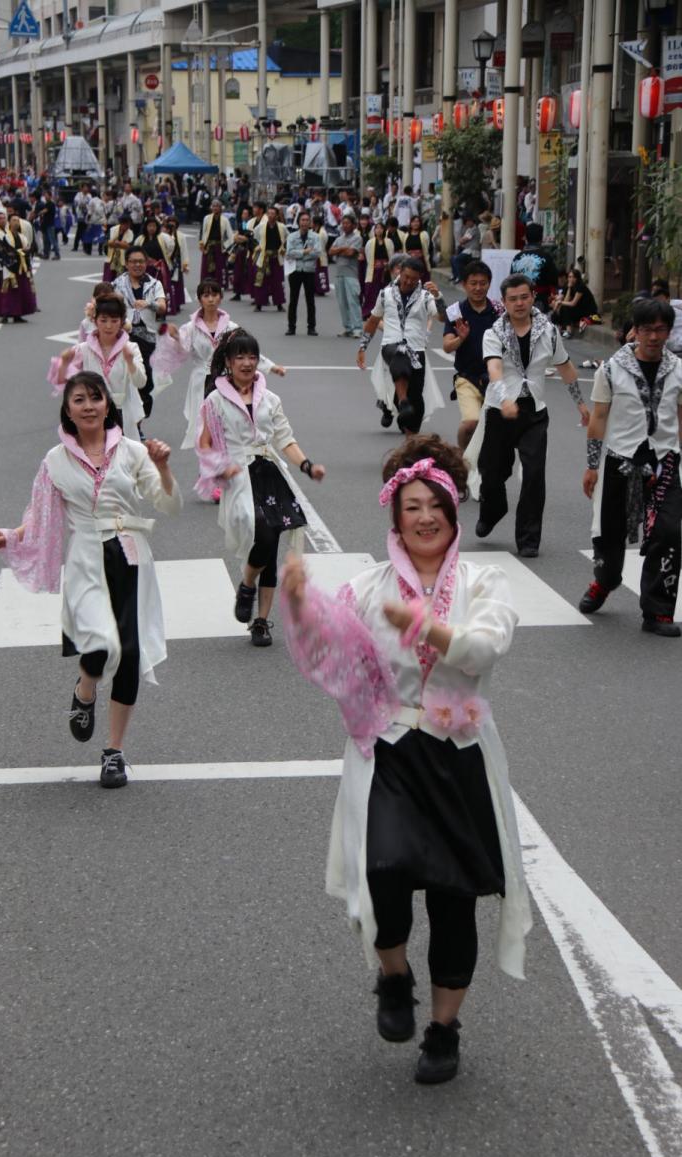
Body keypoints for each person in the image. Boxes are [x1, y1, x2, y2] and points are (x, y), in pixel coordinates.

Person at [280, 434, 532, 1085]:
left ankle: (443, 1029)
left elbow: (482, 649)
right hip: (388, 750)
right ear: (394, 516)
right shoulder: (368, 587)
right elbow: (329, 655)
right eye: (410, 506)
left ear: (452, 509)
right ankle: (393, 977)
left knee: (454, 899)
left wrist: (427, 626)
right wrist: (300, 604)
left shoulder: (483, 581)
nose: (423, 517)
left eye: (435, 505)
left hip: (459, 754)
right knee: (384, 874)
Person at [0, 370, 182, 788]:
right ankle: (85, 689)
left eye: (96, 398)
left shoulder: (131, 451)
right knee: (98, 646)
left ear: (108, 405)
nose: (89, 406)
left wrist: (163, 469)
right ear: (68, 410)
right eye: (80, 400)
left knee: (129, 651)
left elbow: (169, 504)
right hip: (86, 560)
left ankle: (113, 752)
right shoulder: (55, 461)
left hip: (129, 555)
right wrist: (12, 536)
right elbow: (38, 514)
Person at [195, 329, 325, 647]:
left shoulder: (270, 399)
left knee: (272, 541)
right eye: (240, 356)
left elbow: (285, 438)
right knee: (262, 534)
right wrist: (219, 466)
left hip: (269, 471)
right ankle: (248, 583)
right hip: (238, 474)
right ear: (227, 361)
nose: (247, 363)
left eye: (252, 356)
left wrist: (307, 466)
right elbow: (205, 443)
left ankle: (262, 621)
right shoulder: (214, 400)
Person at [579, 298, 682, 636]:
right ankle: (604, 581)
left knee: (668, 532)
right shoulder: (610, 369)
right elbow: (599, 419)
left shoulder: (678, 370)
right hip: (620, 461)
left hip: (664, 461)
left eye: (661, 330)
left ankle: (658, 611)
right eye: (648, 329)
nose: (654, 336)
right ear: (634, 332)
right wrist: (592, 466)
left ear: (668, 332)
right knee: (609, 536)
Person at [474, 273, 588, 557]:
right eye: (513, 299)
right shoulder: (494, 333)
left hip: (534, 412)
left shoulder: (548, 331)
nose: (519, 303)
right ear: (504, 302)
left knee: (534, 475)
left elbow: (565, 367)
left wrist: (581, 404)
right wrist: (504, 399)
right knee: (492, 473)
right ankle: (493, 511)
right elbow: (494, 370)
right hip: (500, 410)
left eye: (524, 297)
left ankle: (528, 539)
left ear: (533, 297)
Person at [152, 277, 285, 451]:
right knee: (203, 427)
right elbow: (182, 351)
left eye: (214, 295)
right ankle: (207, 467)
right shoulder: (191, 327)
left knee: (227, 422)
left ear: (220, 298)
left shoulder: (230, 327)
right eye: (206, 295)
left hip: (225, 379)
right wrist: (176, 338)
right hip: (201, 381)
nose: (211, 299)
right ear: (200, 299)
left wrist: (271, 367)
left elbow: (244, 351)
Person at [358, 258, 447, 433]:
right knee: (400, 352)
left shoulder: (426, 296)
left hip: (417, 350)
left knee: (417, 398)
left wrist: (439, 297)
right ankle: (402, 401)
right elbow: (373, 320)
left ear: (419, 278)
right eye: (406, 276)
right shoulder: (386, 294)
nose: (408, 281)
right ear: (400, 272)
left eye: (413, 279)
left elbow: (442, 318)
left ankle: (410, 431)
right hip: (390, 346)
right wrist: (362, 347)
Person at [50, 293, 146, 442]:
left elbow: (141, 382)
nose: (108, 326)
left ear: (121, 322)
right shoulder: (83, 350)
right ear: (95, 320)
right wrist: (64, 363)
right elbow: (62, 382)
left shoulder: (131, 348)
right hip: (92, 415)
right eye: (103, 320)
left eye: (114, 321)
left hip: (123, 414)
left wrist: (130, 362)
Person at [442, 260, 501, 451]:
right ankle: (462, 459)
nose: (478, 288)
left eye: (482, 283)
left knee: (496, 431)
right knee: (470, 423)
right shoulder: (456, 312)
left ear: (489, 284)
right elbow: (447, 347)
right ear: (464, 284)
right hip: (467, 378)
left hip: (496, 379)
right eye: (473, 283)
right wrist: (460, 338)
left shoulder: (499, 312)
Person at [113, 245, 167, 422]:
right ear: (126, 263)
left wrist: (148, 304)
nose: (137, 265)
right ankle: (133, 423)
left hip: (148, 337)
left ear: (147, 263)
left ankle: (141, 416)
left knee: (146, 380)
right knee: (128, 377)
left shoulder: (154, 284)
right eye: (133, 262)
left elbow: (162, 306)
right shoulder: (117, 285)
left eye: (141, 261)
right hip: (124, 336)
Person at [0, 211, 37, 323]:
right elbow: (5, 252)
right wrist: (19, 253)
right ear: (9, 223)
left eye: (17, 220)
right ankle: (6, 315)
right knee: (8, 291)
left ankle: (18, 315)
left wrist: (24, 252)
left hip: (21, 267)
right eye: (13, 220)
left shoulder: (22, 237)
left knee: (20, 291)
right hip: (10, 266)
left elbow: (28, 249)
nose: (16, 222)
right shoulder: (5, 237)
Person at [284, 210, 320, 336]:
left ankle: (311, 327)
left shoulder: (315, 237)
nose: (304, 222)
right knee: (293, 299)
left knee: (310, 300)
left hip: (309, 270)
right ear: (298, 222)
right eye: (302, 220)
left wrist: (299, 254)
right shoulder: (292, 236)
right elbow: (289, 253)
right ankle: (291, 327)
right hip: (296, 271)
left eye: (307, 220)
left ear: (310, 222)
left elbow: (317, 253)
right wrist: (304, 252)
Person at [329, 213, 364, 337]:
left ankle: (357, 328)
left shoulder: (357, 238)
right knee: (342, 302)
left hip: (351, 273)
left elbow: (350, 252)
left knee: (353, 301)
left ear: (354, 225)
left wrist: (340, 250)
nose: (345, 225)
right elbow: (330, 251)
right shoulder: (339, 238)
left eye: (347, 223)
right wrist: (342, 248)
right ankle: (347, 327)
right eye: (343, 223)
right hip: (339, 274)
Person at [510, 223, 559, 312]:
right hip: (540, 299)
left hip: (519, 299)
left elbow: (511, 279)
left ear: (526, 238)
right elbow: (553, 279)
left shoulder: (517, 257)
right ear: (541, 238)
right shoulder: (545, 257)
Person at [251, 204, 287, 312]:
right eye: (269, 213)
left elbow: (287, 239)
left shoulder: (282, 227)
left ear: (276, 216)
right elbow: (254, 237)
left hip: (276, 257)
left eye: (273, 214)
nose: (271, 216)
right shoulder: (261, 226)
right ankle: (259, 304)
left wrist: (283, 248)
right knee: (261, 281)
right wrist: (257, 246)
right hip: (264, 257)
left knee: (277, 282)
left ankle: (279, 304)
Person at [551, 268, 599, 336]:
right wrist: (569, 289)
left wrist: (559, 302)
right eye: (569, 277)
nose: (571, 279)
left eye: (573, 277)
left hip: (588, 311)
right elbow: (566, 301)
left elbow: (573, 303)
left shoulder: (580, 287)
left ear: (577, 278)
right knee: (562, 307)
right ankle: (559, 328)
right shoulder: (569, 286)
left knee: (564, 307)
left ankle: (568, 330)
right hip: (578, 309)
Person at [362, 221, 394, 319]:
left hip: (385, 271)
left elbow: (391, 256)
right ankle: (369, 312)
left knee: (386, 292)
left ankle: (385, 313)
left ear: (384, 230)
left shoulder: (388, 242)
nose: (379, 230)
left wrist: (388, 265)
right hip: (374, 270)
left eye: (381, 228)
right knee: (371, 292)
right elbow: (368, 257)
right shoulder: (370, 242)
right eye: (377, 228)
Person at [199, 199, 233, 287]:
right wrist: (202, 243)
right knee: (206, 266)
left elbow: (230, 235)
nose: (215, 208)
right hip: (208, 245)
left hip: (218, 245)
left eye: (217, 206)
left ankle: (218, 283)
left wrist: (226, 246)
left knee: (219, 266)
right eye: (213, 206)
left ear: (220, 208)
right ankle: (206, 283)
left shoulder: (225, 220)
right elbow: (203, 232)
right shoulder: (206, 218)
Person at [159, 216, 189, 316]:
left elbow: (184, 250)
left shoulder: (181, 236)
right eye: (170, 222)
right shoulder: (162, 235)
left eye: (174, 223)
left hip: (176, 262)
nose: (172, 224)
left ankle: (177, 303)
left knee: (176, 284)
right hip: (166, 262)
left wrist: (185, 263)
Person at [229, 205, 255, 301]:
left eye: (245, 214)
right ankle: (237, 293)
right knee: (238, 273)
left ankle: (254, 294)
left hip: (249, 250)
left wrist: (242, 238)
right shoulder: (242, 224)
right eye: (243, 213)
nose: (243, 215)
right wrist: (239, 238)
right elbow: (237, 237)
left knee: (250, 273)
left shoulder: (252, 224)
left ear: (249, 216)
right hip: (240, 250)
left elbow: (248, 237)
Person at [103, 213, 134, 283]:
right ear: (121, 223)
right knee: (109, 279)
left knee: (122, 280)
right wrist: (121, 244)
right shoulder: (113, 230)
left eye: (129, 224)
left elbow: (128, 246)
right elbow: (108, 242)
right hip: (112, 258)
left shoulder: (131, 232)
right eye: (125, 224)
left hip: (123, 260)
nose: (127, 226)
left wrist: (116, 243)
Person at [450, 215, 481, 283]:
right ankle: (455, 275)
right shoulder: (468, 229)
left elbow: (464, 240)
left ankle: (460, 277)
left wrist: (462, 240)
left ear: (471, 221)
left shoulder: (475, 229)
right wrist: (462, 240)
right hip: (466, 250)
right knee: (452, 258)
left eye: (467, 222)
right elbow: (461, 240)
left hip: (473, 252)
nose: (466, 224)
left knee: (458, 259)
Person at [35, 188, 60, 260]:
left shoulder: (51, 204)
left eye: (46, 195)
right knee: (46, 241)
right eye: (45, 195)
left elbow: (44, 211)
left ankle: (57, 254)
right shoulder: (47, 203)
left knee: (52, 240)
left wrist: (39, 212)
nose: (45, 197)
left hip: (50, 225)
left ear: (50, 196)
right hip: (45, 225)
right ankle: (46, 254)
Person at [82, 190, 106, 256]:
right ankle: (100, 250)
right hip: (101, 221)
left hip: (93, 221)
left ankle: (89, 251)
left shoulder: (91, 201)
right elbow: (105, 211)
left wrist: (87, 220)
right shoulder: (102, 201)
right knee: (100, 235)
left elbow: (90, 212)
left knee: (89, 235)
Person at [73, 183, 91, 252]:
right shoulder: (78, 195)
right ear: (82, 188)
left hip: (87, 216)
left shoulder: (89, 196)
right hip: (80, 215)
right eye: (85, 187)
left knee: (85, 231)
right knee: (79, 231)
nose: (86, 189)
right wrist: (82, 204)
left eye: (87, 187)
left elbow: (90, 204)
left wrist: (85, 205)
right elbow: (77, 202)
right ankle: (76, 246)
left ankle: (85, 246)